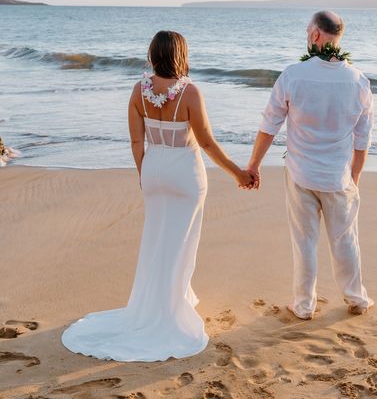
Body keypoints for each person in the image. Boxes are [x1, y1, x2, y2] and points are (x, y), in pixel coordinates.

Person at [62, 30, 254, 361]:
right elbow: (206, 142)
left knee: (156, 239)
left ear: (153, 55)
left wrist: (145, 175)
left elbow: (137, 143)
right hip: (185, 173)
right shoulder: (190, 92)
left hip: (153, 169)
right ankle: (171, 306)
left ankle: (165, 300)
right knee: (180, 240)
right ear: (181, 55)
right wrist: (238, 173)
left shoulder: (140, 91)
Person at [246, 10, 374, 319]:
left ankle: (304, 305)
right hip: (338, 176)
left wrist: (254, 165)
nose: (306, 35)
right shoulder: (358, 80)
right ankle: (356, 298)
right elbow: (362, 138)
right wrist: (354, 175)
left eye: (308, 31)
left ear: (316, 35)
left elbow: (269, 125)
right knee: (345, 240)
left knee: (304, 241)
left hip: (301, 174)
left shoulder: (293, 75)